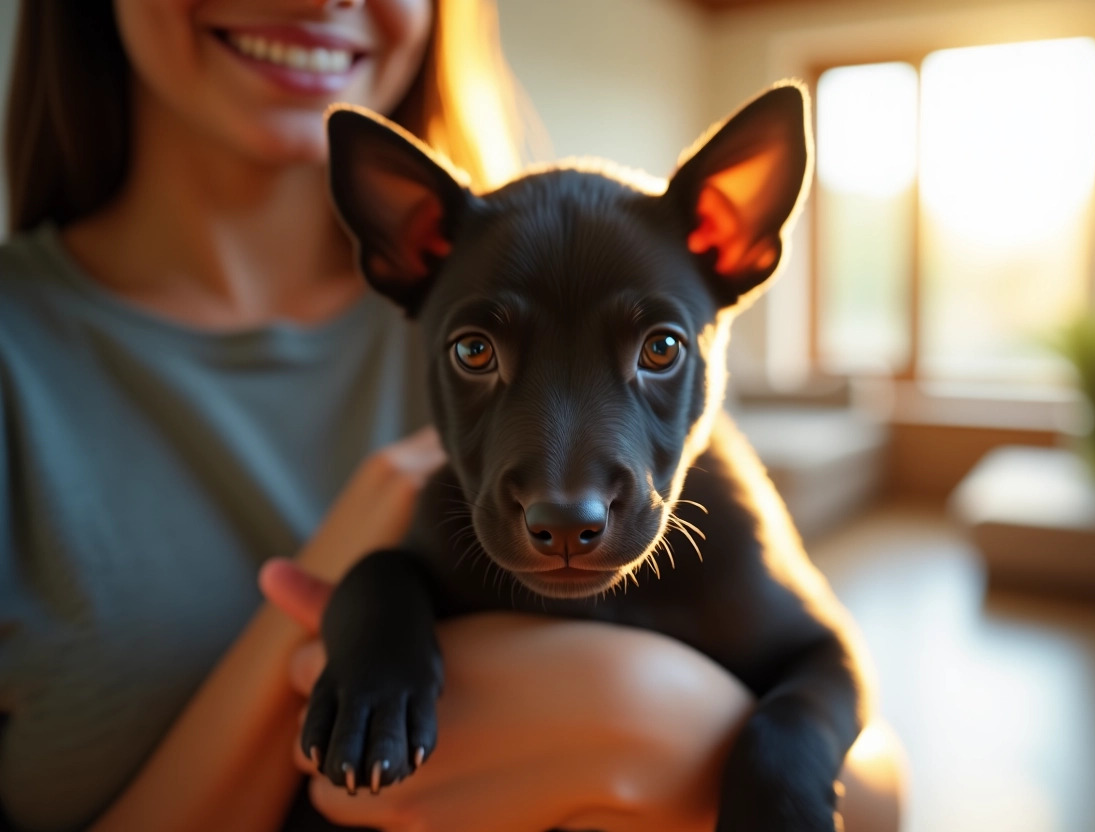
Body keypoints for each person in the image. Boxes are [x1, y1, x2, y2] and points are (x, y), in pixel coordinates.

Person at [0, 1, 759, 830]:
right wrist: (321, 609)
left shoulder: (552, 273)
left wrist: (667, 727)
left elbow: (866, 779)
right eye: (474, 356)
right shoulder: (470, 283)